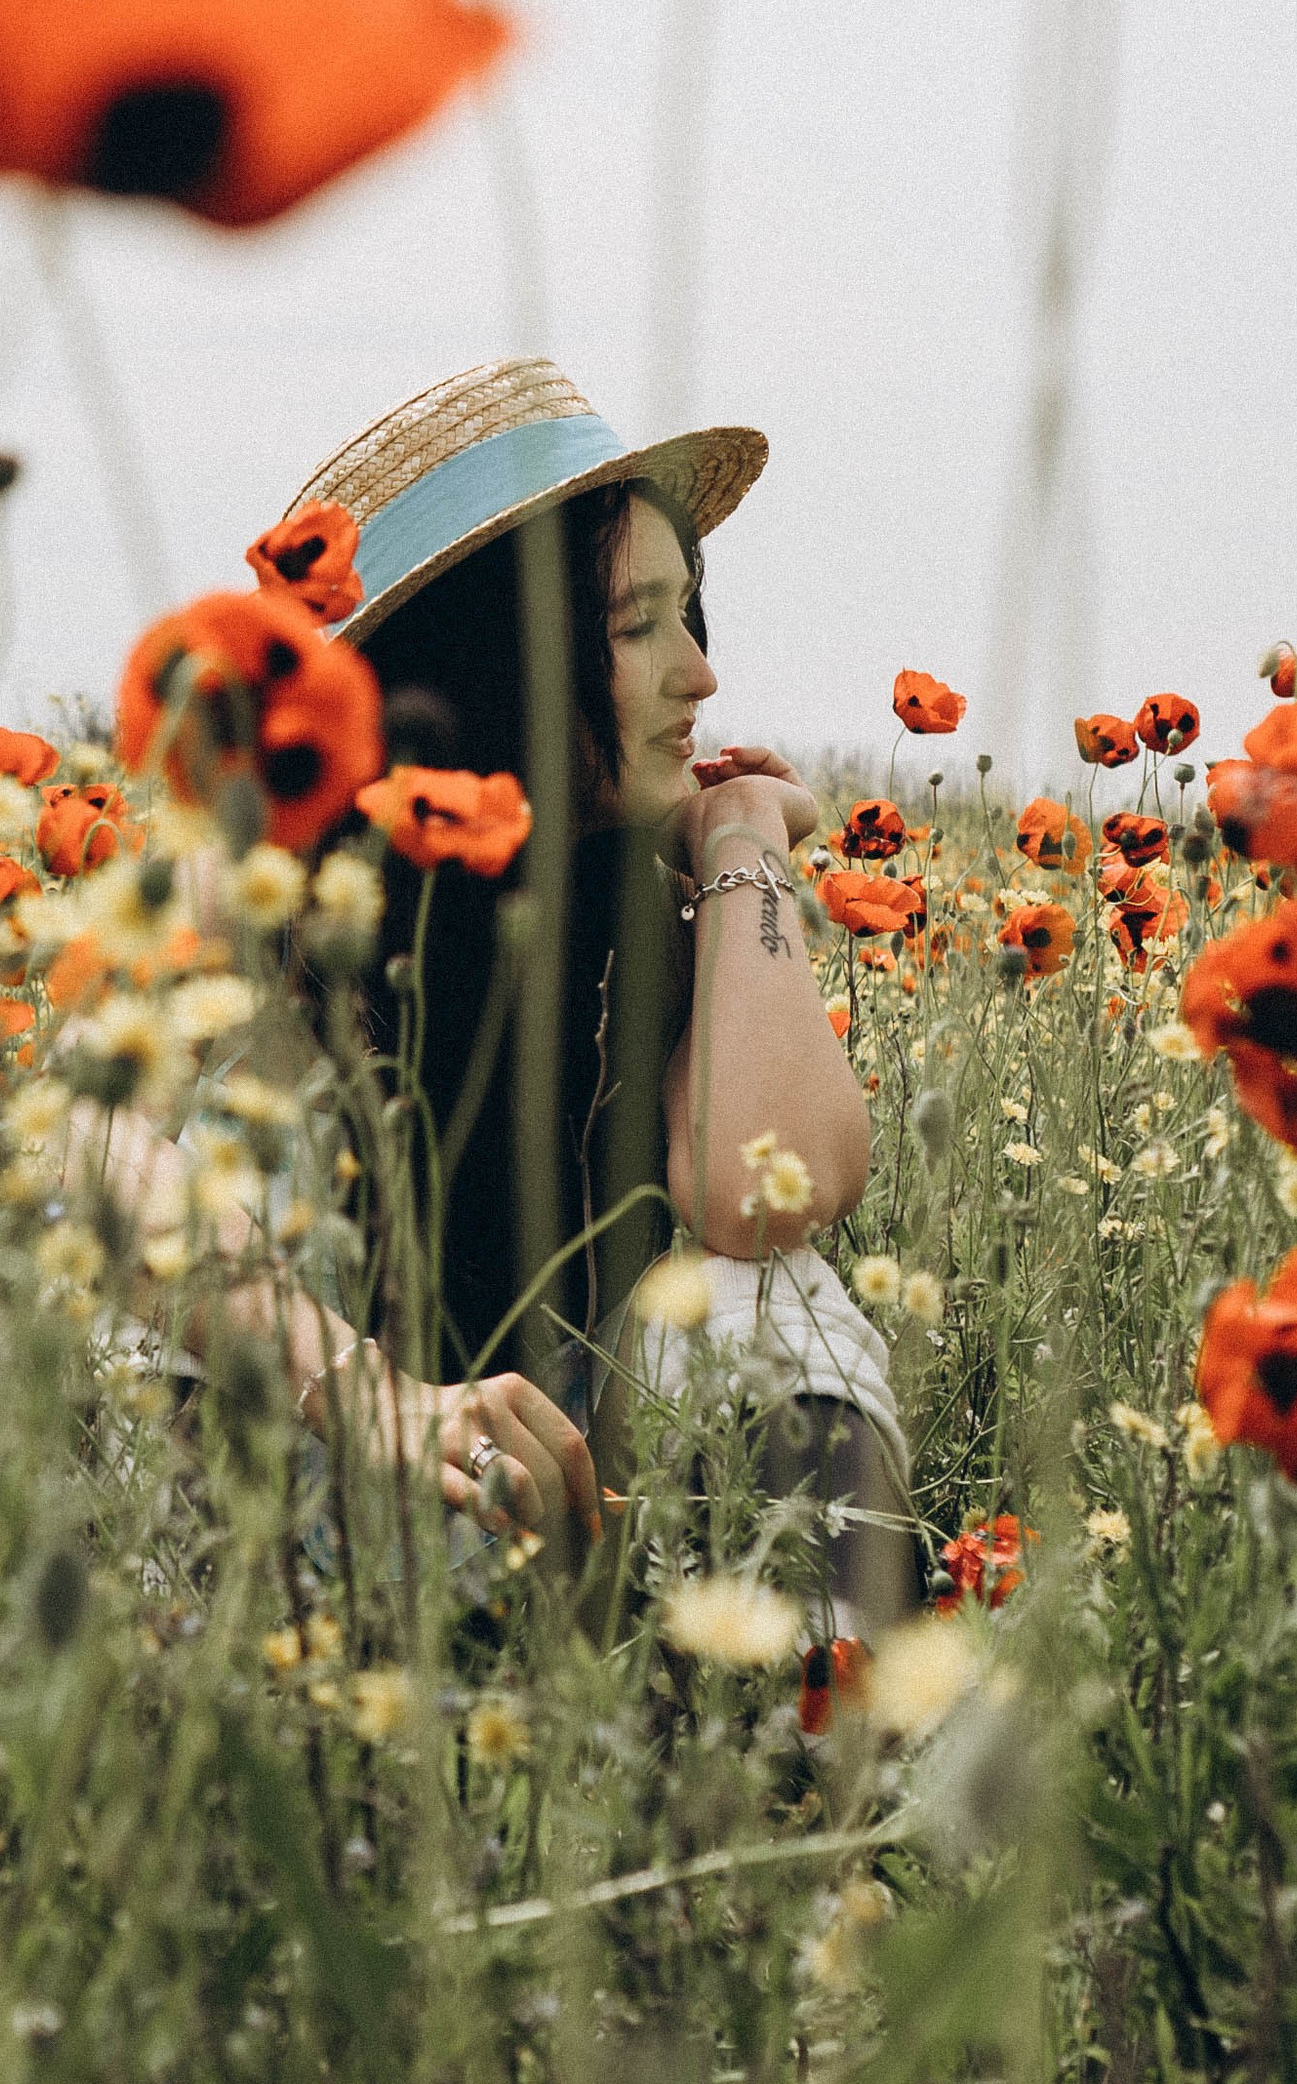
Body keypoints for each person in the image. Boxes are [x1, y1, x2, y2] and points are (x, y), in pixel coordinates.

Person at [257, 360, 914, 1623]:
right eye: (633, 627)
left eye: (689, 615)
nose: (699, 675)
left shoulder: (641, 900)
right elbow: (101, 1153)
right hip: (305, 1509)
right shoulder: (284, 900)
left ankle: (825, 1744)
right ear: (498, 661)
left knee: (765, 1300)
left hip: (549, 1505)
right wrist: (375, 1400)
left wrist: (740, 849)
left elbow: (761, 1190)